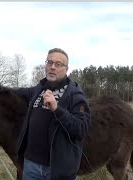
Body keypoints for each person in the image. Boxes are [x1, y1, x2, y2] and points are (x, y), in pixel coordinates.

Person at [15, 48, 91, 180]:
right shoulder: (39, 88)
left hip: (58, 170)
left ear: (66, 69)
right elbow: (19, 92)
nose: (52, 67)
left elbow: (81, 129)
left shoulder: (75, 95)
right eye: (49, 62)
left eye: (58, 64)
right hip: (31, 165)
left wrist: (57, 109)